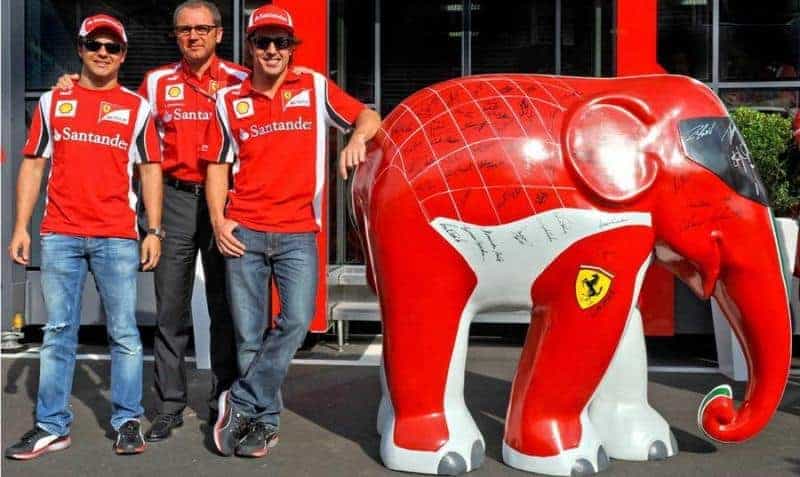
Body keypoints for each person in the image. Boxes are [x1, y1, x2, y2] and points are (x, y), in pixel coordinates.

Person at [202, 4, 381, 457]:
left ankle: (240, 401)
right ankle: (264, 422)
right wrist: (221, 220)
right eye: (263, 41)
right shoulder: (227, 98)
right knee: (248, 335)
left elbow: (369, 116)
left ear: (292, 48)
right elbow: (217, 168)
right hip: (244, 231)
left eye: (281, 42)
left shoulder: (315, 87)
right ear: (250, 47)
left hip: (299, 231)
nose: (272, 50)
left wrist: (357, 139)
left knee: (297, 321)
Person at [5, 14, 163, 458]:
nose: (103, 53)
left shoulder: (137, 108)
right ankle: (52, 425)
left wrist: (153, 229)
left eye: (112, 47)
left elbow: (150, 168)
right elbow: (33, 163)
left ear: (123, 55)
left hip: (117, 235)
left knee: (126, 334)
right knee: (57, 332)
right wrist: (20, 226)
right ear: (80, 49)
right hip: (60, 235)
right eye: (95, 44)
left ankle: (127, 420)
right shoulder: (55, 102)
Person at [136, 0, 248, 441]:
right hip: (176, 199)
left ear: (220, 33)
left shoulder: (241, 79)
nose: (194, 36)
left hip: (227, 203)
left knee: (226, 304)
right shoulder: (157, 82)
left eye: (203, 28)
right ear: (176, 35)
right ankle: (169, 404)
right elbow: (139, 147)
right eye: (184, 30)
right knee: (170, 307)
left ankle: (224, 397)